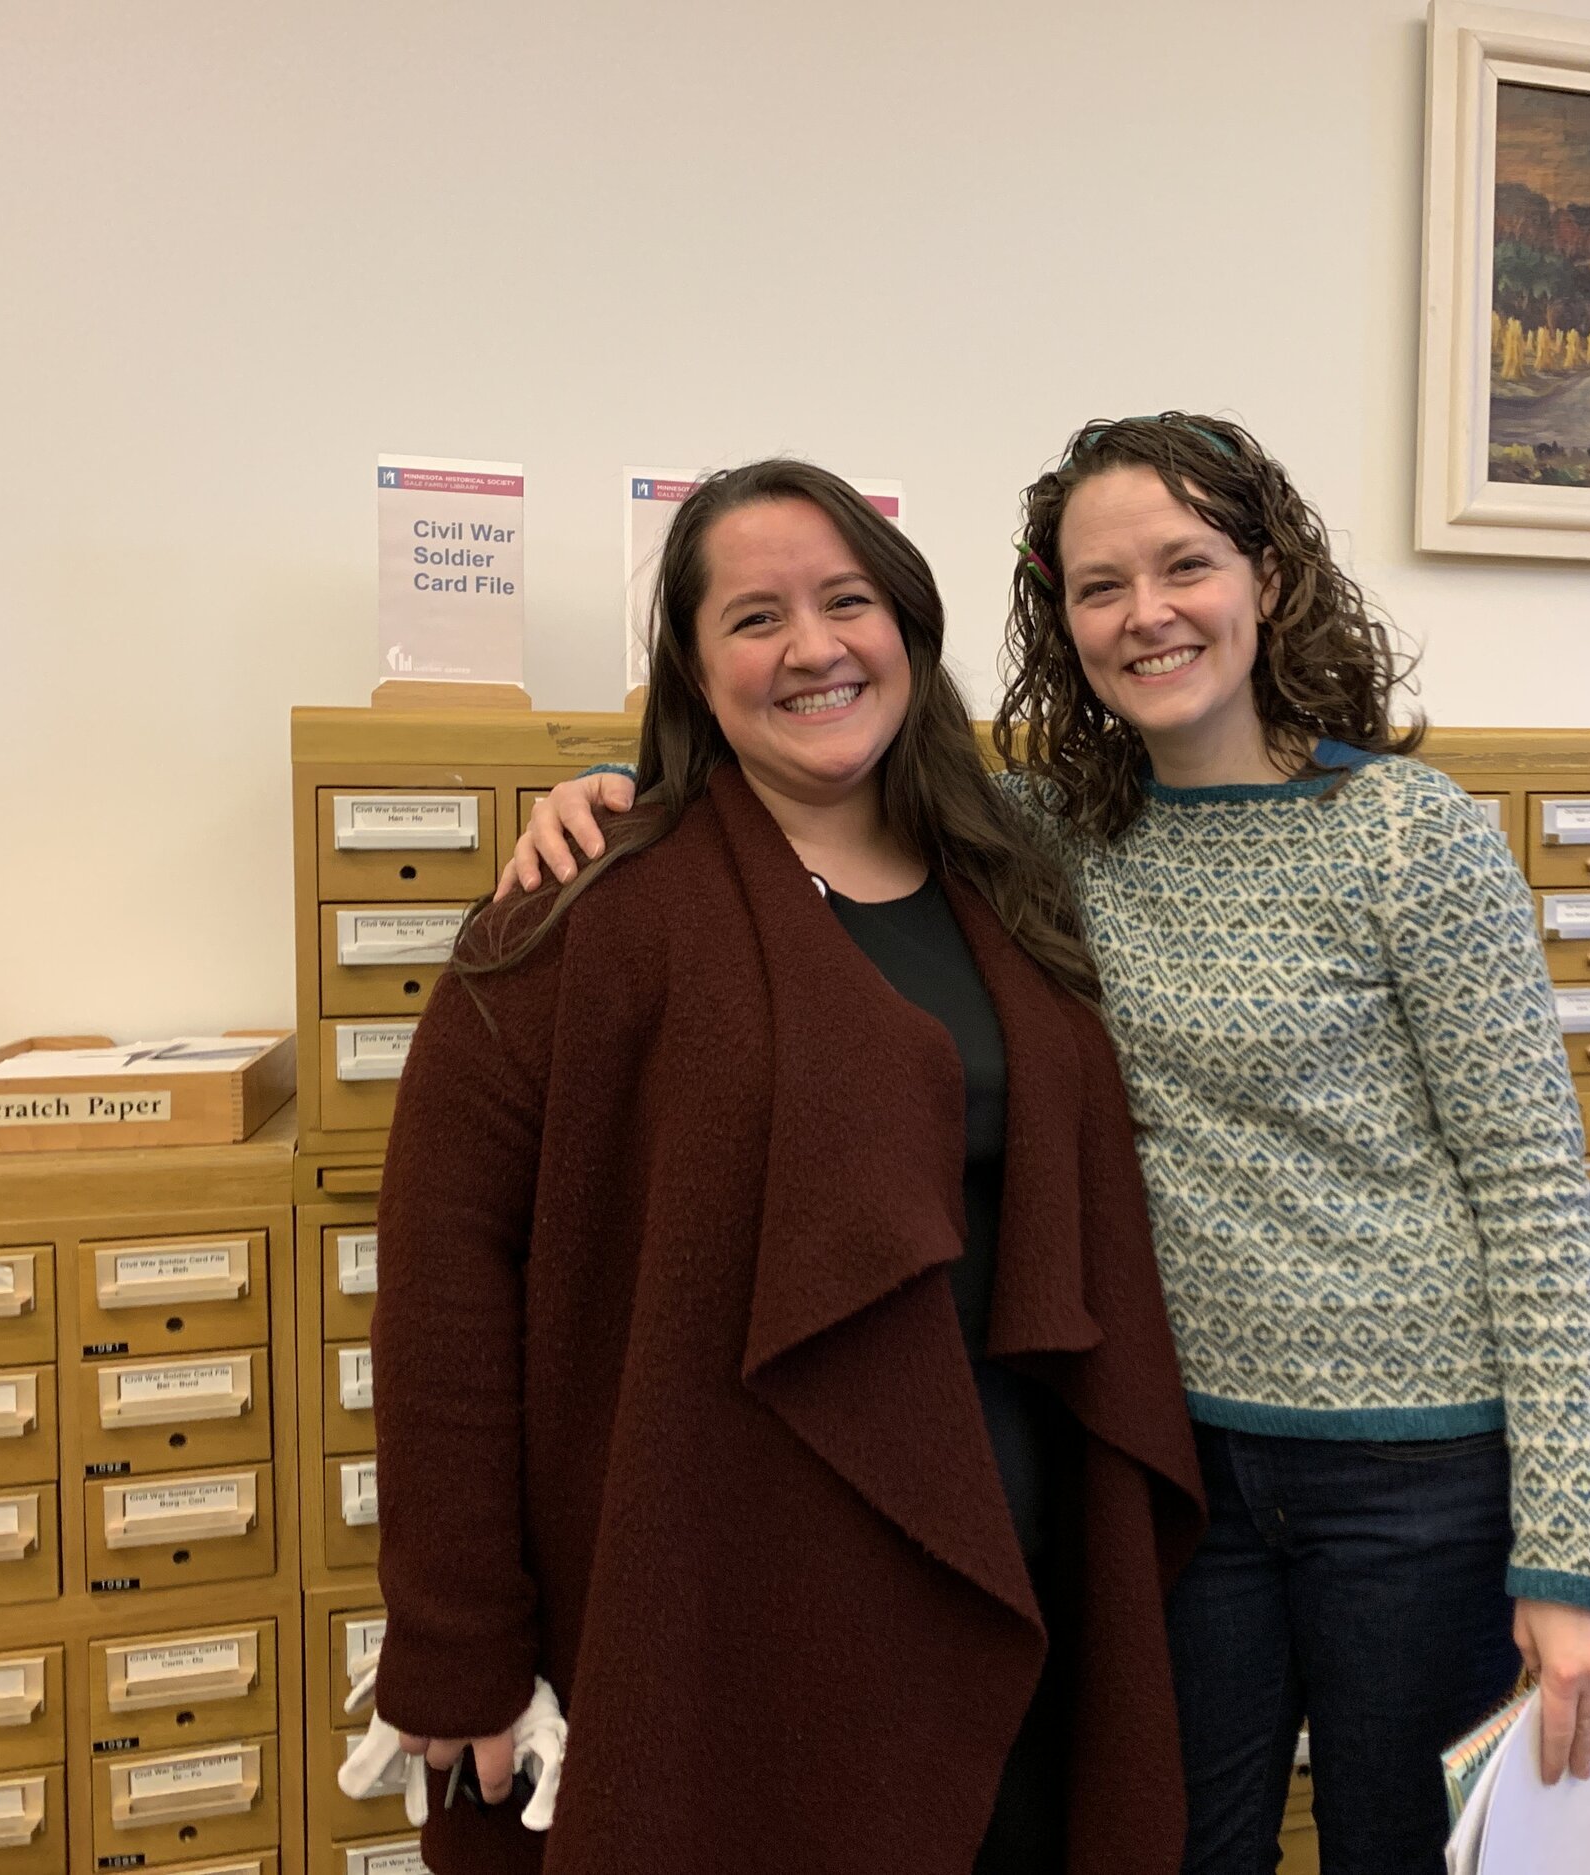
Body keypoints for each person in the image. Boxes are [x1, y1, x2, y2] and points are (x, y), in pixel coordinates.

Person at [507, 416, 1590, 1874]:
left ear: (1270, 578)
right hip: (1172, 1466)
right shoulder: (1044, 834)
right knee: (1169, 1844)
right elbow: (825, 768)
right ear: (1064, 618)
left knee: (1405, 1856)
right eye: (1101, 586)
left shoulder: (1408, 837)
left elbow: (1538, 1190)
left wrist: (1573, 1549)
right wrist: (618, 788)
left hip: (1413, 1479)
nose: (1148, 613)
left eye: (1187, 566)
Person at [374, 457, 1205, 1875]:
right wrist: (457, 1632)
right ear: (695, 673)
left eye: (846, 602)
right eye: (754, 619)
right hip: (732, 1594)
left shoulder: (1007, 883)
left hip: (1015, 1575)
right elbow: (443, 1274)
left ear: (909, 629)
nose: (814, 648)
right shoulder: (589, 913)